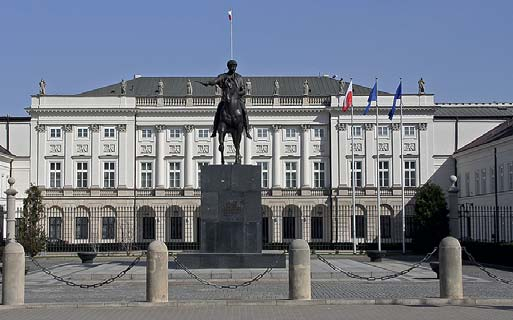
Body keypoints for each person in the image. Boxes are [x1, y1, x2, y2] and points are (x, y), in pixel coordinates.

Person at [200, 60, 252, 139]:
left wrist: (238, 94)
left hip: (237, 99)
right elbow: (215, 81)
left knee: (244, 111)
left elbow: (244, 90)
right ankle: (214, 130)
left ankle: (247, 130)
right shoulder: (223, 76)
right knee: (218, 112)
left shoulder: (239, 78)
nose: (233, 68)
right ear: (228, 67)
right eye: (232, 66)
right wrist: (208, 83)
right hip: (225, 100)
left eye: (234, 66)